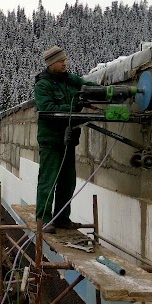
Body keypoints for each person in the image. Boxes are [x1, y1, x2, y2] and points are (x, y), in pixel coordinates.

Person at [34, 46, 97, 233]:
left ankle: (62, 218)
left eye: (65, 60)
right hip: (51, 140)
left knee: (67, 181)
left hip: (68, 139)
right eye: (61, 61)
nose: (64, 63)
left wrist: (104, 93)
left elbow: (86, 87)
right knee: (49, 180)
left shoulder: (70, 79)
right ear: (51, 63)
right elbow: (48, 108)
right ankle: (44, 219)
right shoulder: (43, 85)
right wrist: (75, 104)